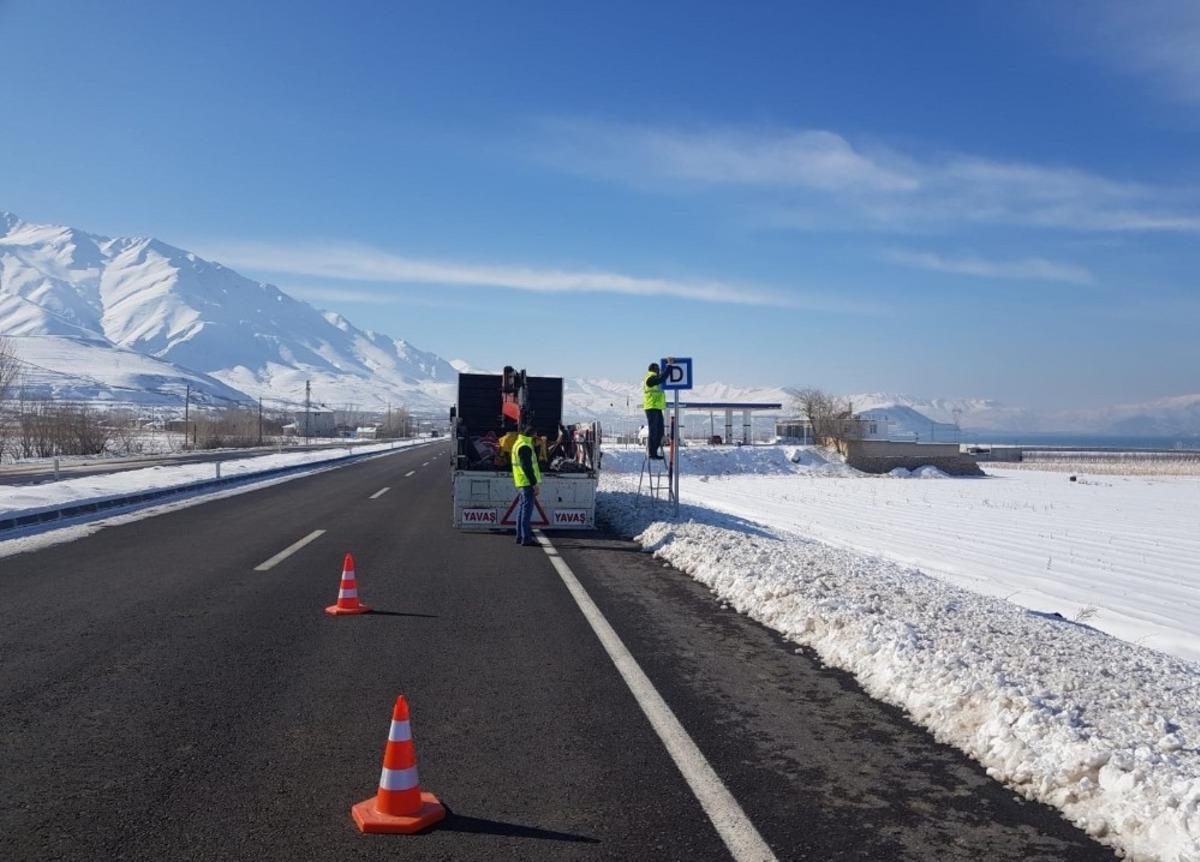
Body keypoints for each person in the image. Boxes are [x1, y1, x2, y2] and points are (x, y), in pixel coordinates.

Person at [511, 421, 542, 546]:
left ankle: (519, 536)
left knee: (521, 510)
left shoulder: (519, 443)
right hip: (527, 483)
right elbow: (527, 467)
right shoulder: (525, 446)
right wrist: (534, 483)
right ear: (532, 434)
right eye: (536, 434)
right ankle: (526, 538)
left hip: (521, 482)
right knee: (526, 512)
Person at [642, 358, 674, 459]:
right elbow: (661, 378)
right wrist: (669, 366)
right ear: (655, 370)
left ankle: (655, 450)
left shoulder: (653, 377)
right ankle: (652, 453)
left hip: (656, 407)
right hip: (651, 407)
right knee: (654, 430)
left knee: (660, 429)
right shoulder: (650, 378)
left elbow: (661, 379)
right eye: (658, 370)